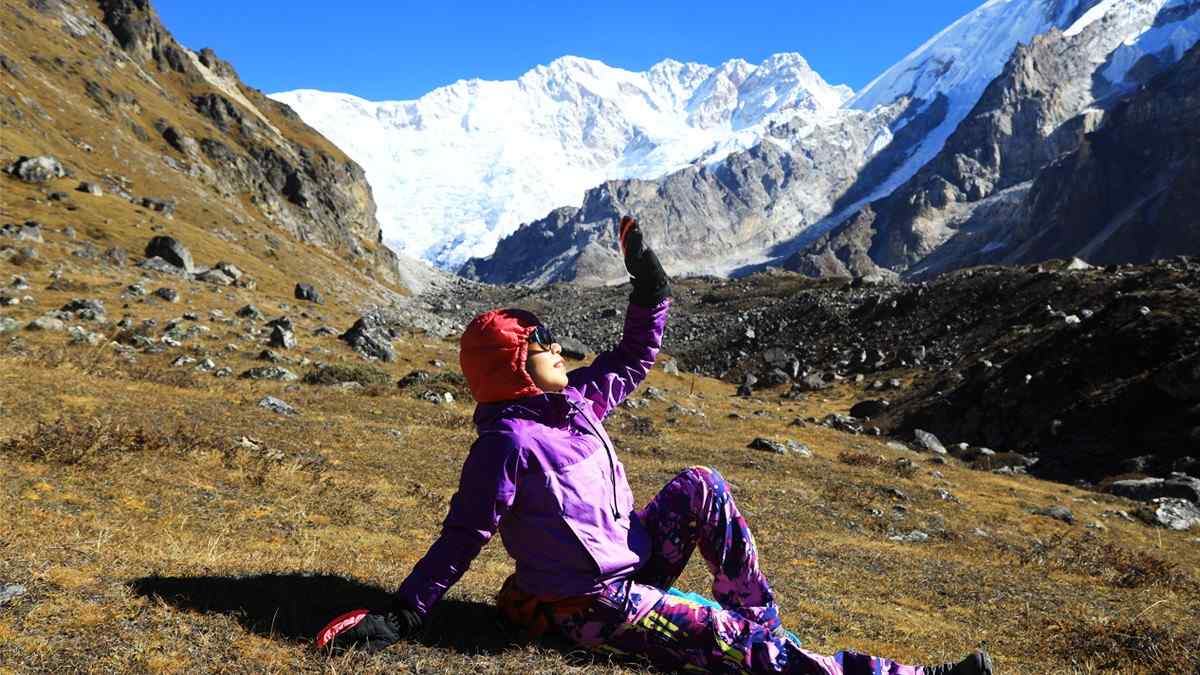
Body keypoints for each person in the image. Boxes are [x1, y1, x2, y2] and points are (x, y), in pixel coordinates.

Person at [316, 216, 993, 675]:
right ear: (514, 365)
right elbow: (463, 534)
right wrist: (405, 612)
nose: (554, 345)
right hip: (592, 605)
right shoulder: (507, 443)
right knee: (735, 644)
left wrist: (651, 289)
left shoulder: (573, 403)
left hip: (629, 561)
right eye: (539, 342)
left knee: (703, 483)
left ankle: (762, 632)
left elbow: (633, 356)